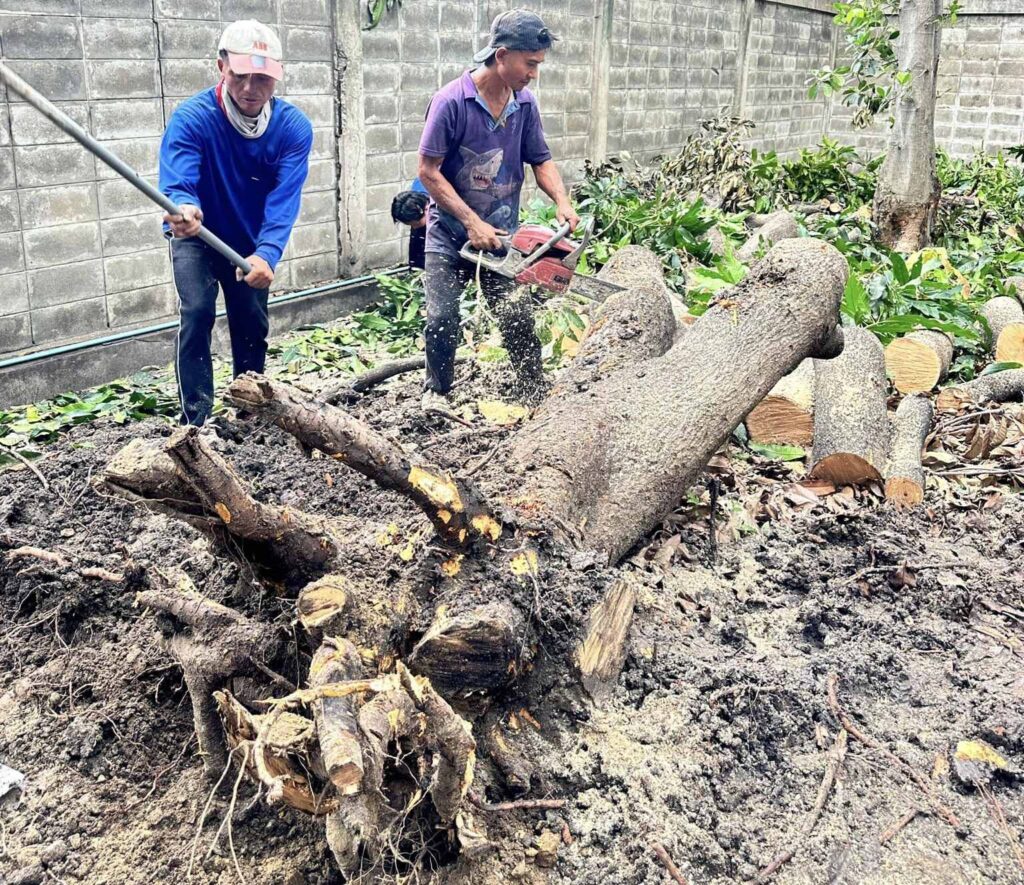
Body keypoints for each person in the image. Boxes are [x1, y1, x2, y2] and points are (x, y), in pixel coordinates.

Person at [417, 8, 580, 414]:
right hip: (450, 233)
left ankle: (533, 392)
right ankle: (437, 394)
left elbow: (540, 160)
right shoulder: (451, 102)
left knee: (516, 316)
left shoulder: (524, 105)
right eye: (530, 64)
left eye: (538, 65)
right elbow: (428, 171)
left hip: (502, 237)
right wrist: (471, 221)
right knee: (442, 317)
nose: (534, 74)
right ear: (502, 55)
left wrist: (561, 201)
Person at [159, 20, 313, 426]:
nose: (250, 88)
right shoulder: (193, 118)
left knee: (251, 322)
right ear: (221, 67)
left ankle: (250, 412)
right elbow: (179, 179)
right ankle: (196, 422)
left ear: (276, 77)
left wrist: (267, 254)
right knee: (197, 313)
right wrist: (184, 208)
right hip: (196, 236)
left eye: (262, 78)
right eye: (240, 76)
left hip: (249, 242)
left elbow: (284, 200)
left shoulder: (293, 128)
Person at [391, 179, 429, 270]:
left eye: (416, 224)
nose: (414, 227)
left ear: (427, 209)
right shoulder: (419, 185)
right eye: (410, 225)